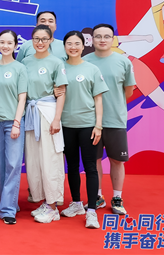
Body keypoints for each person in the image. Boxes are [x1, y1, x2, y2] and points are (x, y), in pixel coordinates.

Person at [84, 24, 136, 215]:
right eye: (98, 36)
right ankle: (97, 196)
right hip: (90, 121)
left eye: (107, 36)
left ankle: (117, 197)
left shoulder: (123, 62)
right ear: (92, 39)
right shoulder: (84, 62)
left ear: (113, 39)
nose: (102, 40)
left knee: (117, 160)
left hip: (115, 120)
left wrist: (114, 104)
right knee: (94, 160)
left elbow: (128, 91)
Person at [60, 31, 108, 229]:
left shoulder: (92, 69)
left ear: (83, 45)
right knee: (71, 166)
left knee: (90, 167)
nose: (73, 47)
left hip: (88, 125)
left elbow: (98, 99)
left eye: (77, 43)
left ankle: (91, 211)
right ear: (64, 46)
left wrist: (98, 125)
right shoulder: (59, 68)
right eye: (69, 44)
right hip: (65, 125)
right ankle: (76, 203)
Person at [22, 25, 68, 224]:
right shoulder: (25, 62)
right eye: (36, 39)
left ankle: (53, 206)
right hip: (30, 114)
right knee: (34, 160)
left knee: (50, 159)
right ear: (31, 40)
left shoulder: (56, 62)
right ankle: (44, 201)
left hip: (48, 113)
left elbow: (62, 92)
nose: (40, 42)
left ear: (50, 40)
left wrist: (57, 119)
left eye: (44, 39)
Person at [0, 30, 28, 225]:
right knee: (1, 165)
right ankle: (8, 202)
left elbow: (22, 98)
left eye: (9, 43)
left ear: (15, 45)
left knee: (13, 164)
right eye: (2, 42)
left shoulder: (20, 68)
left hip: (13, 122)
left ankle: (8, 209)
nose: (5, 46)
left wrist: (17, 123)